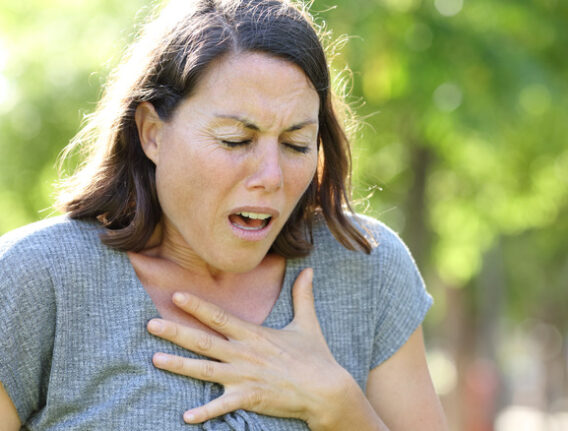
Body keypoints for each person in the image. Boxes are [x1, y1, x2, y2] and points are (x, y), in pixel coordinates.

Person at [0, 0, 447, 429]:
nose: (271, 176)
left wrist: (340, 407)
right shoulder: (37, 279)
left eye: (295, 145)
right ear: (152, 133)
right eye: (236, 140)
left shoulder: (366, 268)